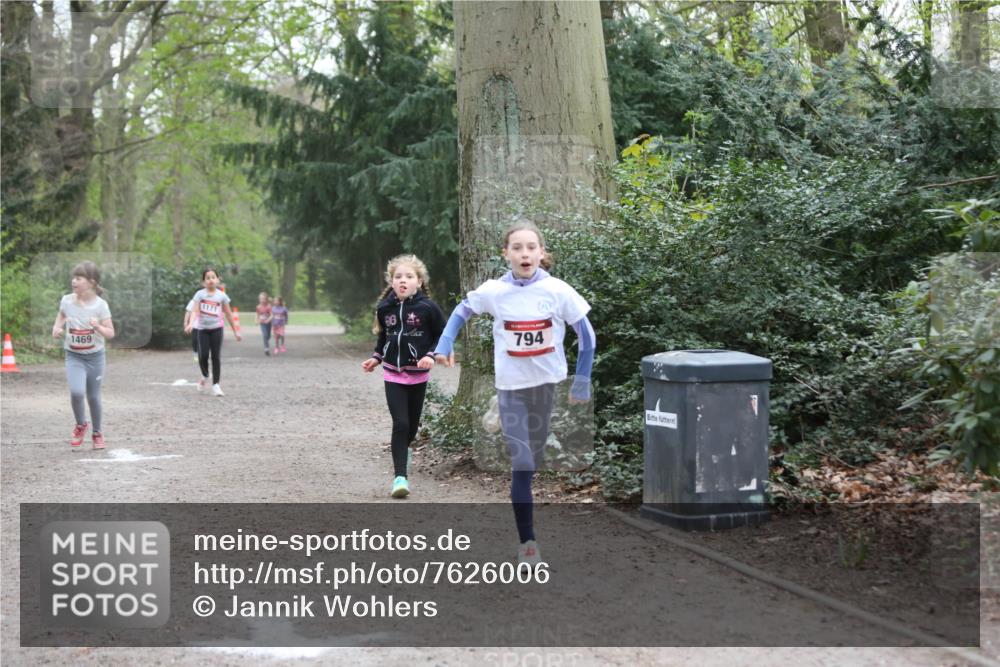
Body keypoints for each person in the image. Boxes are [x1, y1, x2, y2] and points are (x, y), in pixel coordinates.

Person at [433, 221, 596, 565]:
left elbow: (587, 335)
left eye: (531, 247)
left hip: (546, 386)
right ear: (505, 253)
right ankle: (528, 544)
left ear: (541, 253)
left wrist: (582, 379)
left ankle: (499, 412)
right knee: (522, 463)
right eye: (517, 247)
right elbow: (462, 311)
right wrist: (445, 343)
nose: (525, 253)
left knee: (534, 459)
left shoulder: (558, 291)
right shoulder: (495, 291)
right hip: (511, 388)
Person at [362, 255, 446, 498]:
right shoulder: (384, 308)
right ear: (391, 281)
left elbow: (443, 334)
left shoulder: (428, 308)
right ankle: (400, 478)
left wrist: (431, 354)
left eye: (409, 277)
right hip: (393, 374)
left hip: (418, 376)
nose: (403, 280)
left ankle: (404, 452)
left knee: (411, 428)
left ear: (419, 282)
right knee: (400, 424)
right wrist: (376, 357)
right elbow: (384, 338)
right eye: (398, 276)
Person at [51, 261, 115, 450]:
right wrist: (57, 326)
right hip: (74, 355)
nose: (74, 281)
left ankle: (97, 432)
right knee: (77, 392)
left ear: (91, 282)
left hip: (95, 357)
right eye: (74, 278)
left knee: (94, 397)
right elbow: (62, 315)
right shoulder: (67, 300)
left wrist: (98, 327)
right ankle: (81, 424)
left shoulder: (101, 306)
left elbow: (110, 333)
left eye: (79, 278)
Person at [183, 268, 241, 396]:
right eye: (207, 278)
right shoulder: (200, 294)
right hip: (202, 330)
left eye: (213, 277)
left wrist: (236, 332)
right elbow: (195, 311)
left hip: (216, 329)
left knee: (215, 357)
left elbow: (229, 315)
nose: (210, 280)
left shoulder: (222, 296)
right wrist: (191, 324)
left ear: (218, 280)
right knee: (202, 355)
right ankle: (205, 375)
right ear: (204, 282)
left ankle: (216, 385)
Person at [254, 291, 273, 356]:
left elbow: (271, 315)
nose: (262, 300)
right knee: (264, 335)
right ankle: (266, 348)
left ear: (266, 299)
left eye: (263, 299)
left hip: (268, 323)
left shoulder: (269, 306)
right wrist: (256, 320)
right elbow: (257, 314)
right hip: (262, 323)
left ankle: (266, 342)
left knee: (268, 335)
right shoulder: (258, 307)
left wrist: (268, 320)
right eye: (260, 299)